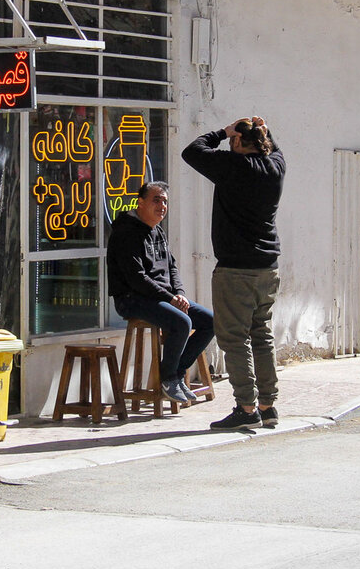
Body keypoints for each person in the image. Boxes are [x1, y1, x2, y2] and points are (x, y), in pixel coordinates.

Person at [181, 116, 286, 430]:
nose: (229, 143)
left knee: (234, 339)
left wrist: (223, 131)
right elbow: (273, 147)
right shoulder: (276, 166)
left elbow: (192, 151)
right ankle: (268, 405)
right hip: (268, 268)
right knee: (261, 335)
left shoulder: (233, 166)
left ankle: (246, 406)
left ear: (239, 143)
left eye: (232, 141)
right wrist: (265, 131)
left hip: (235, 268)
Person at [106, 180, 215, 406]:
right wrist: (170, 298)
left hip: (162, 297)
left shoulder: (158, 231)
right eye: (156, 200)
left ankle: (176, 374)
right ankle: (167, 379)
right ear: (141, 202)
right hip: (132, 299)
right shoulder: (126, 232)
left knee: (211, 322)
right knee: (182, 322)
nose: (162, 206)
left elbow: (171, 267)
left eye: (165, 202)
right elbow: (137, 279)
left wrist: (180, 293)